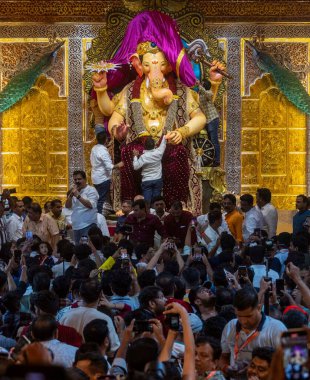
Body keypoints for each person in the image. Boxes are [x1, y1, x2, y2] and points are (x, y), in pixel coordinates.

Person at [220, 286, 286, 378]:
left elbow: (285, 366)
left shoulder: (276, 329)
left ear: (259, 308)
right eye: (239, 316)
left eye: (248, 316)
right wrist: (226, 369)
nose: (243, 321)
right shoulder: (230, 326)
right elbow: (224, 356)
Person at [59, 278, 120, 352]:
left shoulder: (67, 315)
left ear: (80, 293)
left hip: (69, 360)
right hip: (95, 361)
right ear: (100, 294)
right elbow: (113, 348)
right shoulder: (105, 319)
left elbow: (58, 341)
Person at [90, 130, 123, 215]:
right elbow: (109, 166)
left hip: (95, 177)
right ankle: (98, 216)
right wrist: (119, 164)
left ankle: (100, 213)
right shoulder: (103, 151)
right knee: (101, 199)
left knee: (99, 198)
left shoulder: (94, 148)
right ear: (106, 140)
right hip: (102, 178)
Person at [65, 170, 99, 244]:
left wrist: (78, 195)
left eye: (79, 179)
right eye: (75, 179)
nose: (77, 181)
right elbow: (68, 206)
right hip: (76, 225)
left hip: (88, 225)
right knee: (79, 250)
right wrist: (70, 195)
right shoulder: (74, 191)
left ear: (85, 179)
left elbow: (90, 205)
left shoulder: (91, 190)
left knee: (87, 249)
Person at [133, 136, 167, 205]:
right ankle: (155, 214)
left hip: (147, 180)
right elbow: (163, 144)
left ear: (144, 146)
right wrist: (164, 136)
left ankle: (148, 214)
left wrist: (135, 156)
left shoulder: (143, 156)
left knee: (147, 202)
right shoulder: (159, 152)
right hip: (157, 179)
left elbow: (135, 167)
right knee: (156, 201)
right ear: (154, 145)